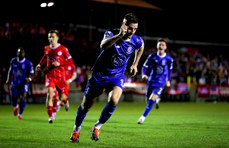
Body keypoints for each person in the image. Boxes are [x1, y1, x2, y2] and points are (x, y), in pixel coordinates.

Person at [70, 13, 144, 143]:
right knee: (86, 106)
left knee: (114, 100)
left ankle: (97, 126)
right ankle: (76, 129)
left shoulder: (136, 40)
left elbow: (141, 46)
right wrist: (119, 35)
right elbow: (103, 46)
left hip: (116, 76)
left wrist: (135, 63)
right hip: (99, 75)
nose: (132, 31)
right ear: (123, 24)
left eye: (135, 29)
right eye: (130, 28)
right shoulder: (111, 33)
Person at [36, 30, 72, 123]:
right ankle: (50, 116)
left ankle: (65, 100)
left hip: (60, 76)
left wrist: (59, 63)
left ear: (57, 38)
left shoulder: (63, 49)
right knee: (50, 95)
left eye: (52, 37)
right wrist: (40, 64)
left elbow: (69, 62)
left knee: (62, 97)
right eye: (49, 37)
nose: (50, 39)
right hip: (50, 75)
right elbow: (45, 57)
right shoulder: (46, 48)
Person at [137, 38, 173, 124]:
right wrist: (144, 74)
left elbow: (170, 70)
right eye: (160, 44)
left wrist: (168, 80)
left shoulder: (169, 59)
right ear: (157, 46)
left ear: (166, 47)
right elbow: (145, 66)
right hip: (151, 80)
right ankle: (157, 100)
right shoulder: (152, 56)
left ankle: (142, 118)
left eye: (163, 44)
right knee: (147, 99)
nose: (161, 46)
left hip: (161, 82)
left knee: (151, 99)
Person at [5, 47, 34, 120]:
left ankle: (20, 114)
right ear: (16, 53)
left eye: (22, 52)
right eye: (19, 52)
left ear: (24, 54)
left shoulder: (28, 63)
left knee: (23, 97)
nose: (20, 54)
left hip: (24, 83)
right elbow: (9, 71)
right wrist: (8, 79)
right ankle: (16, 106)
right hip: (15, 83)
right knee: (13, 99)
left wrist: (29, 79)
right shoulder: (13, 61)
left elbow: (32, 73)